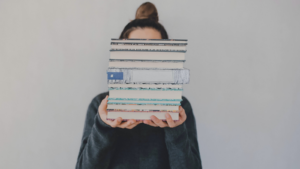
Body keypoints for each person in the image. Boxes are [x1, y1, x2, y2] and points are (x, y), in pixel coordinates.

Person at [75, 2, 202, 169]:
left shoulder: (180, 107)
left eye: (153, 50)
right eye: (135, 49)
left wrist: (175, 131)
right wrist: (104, 127)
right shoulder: (101, 106)